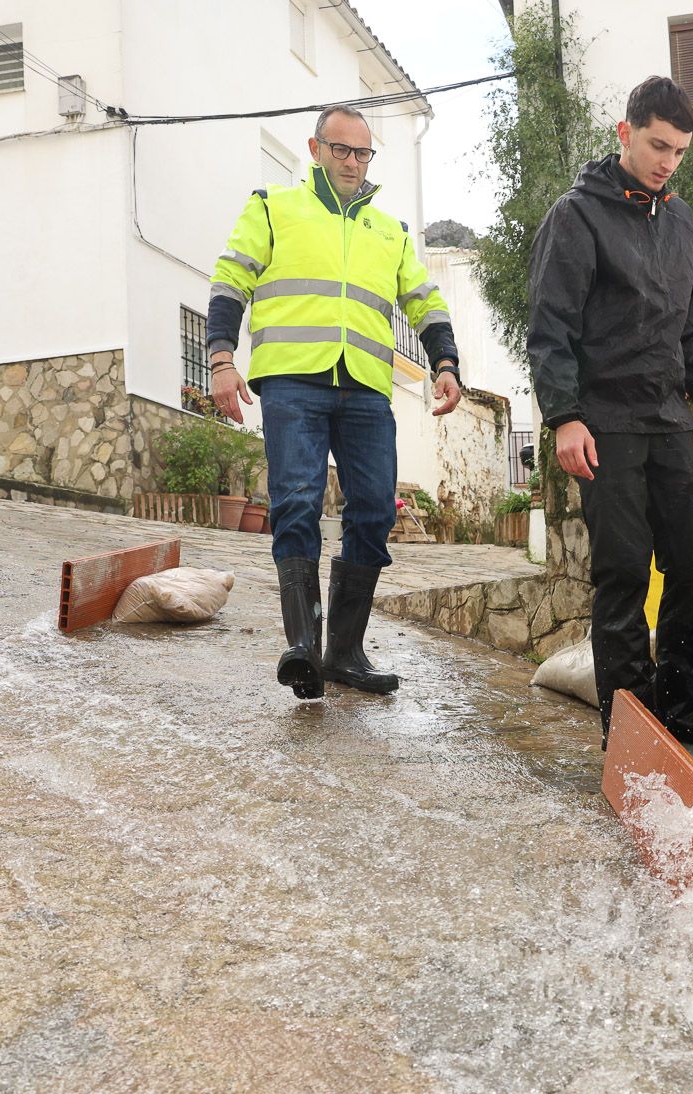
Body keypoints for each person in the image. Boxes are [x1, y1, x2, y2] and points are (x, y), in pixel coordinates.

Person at [209, 105, 462, 701]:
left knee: (374, 510)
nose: (352, 162)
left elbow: (425, 302)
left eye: (362, 153)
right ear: (315, 149)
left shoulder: (391, 230)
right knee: (297, 501)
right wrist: (221, 358)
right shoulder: (273, 207)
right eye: (340, 149)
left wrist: (446, 363)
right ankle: (302, 648)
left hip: (365, 387)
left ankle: (344, 653)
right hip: (292, 379)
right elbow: (230, 279)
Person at [525, 76, 693, 784]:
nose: (667, 162)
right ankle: (633, 747)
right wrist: (564, 416)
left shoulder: (682, 223)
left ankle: (686, 731)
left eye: (679, 152)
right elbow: (550, 329)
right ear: (625, 133)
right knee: (622, 576)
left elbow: (688, 327)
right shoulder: (576, 216)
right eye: (657, 146)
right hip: (604, 422)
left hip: (667, 418)